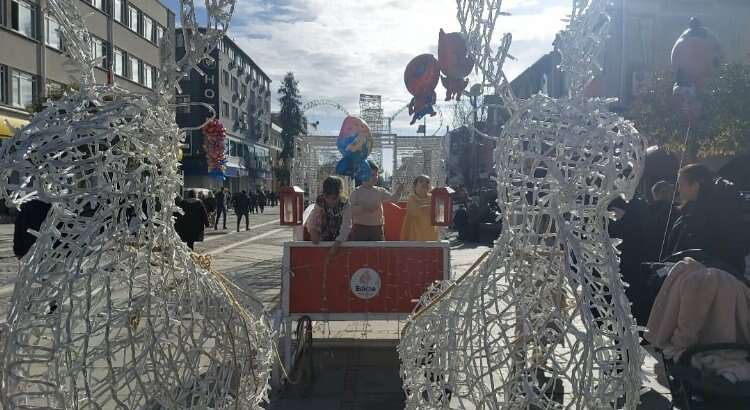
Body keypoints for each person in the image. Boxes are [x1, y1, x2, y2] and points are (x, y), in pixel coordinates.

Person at [665, 163, 750, 275]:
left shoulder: (711, 213)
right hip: (703, 275)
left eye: (681, 184)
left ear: (696, 185)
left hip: (711, 277)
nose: (678, 189)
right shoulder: (692, 211)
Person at [349, 161, 397, 241]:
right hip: (360, 228)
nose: (375, 177)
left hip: (377, 228)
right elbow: (350, 210)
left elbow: (394, 199)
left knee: (378, 247)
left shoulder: (380, 191)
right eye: (372, 175)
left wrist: (398, 192)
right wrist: (363, 208)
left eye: (376, 175)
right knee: (360, 248)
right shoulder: (356, 192)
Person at [306, 176, 352, 246]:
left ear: (340, 195)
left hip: (342, 237)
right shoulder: (320, 201)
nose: (330, 201)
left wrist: (339, 241)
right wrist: (313, 231)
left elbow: (346, 225)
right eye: (327, 197)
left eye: (334, 198)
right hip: (325, 234)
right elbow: (313, 218)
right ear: (324, 194)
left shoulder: (345, 204)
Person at [401, 175, 438, 241]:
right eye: (421, 181)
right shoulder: (412, 198)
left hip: (430, 232)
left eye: (427, 182)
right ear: (415, 186)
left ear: (430, 187)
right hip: (415, 232)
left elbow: (439, 212)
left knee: (430, 245)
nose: (425, 183)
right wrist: (430, 208)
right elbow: (414, 211)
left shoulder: (432, 198)